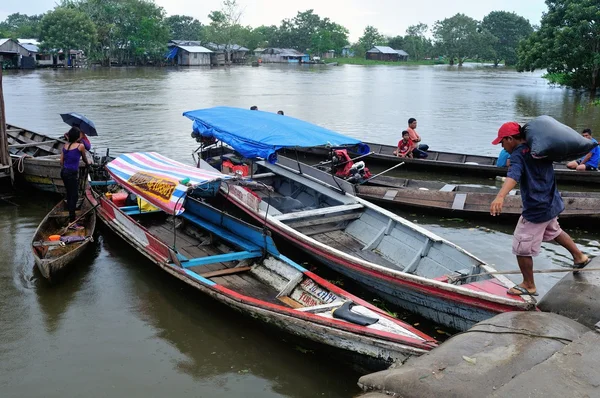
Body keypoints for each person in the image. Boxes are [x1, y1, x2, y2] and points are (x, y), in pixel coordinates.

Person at [490, 122, 589, 296]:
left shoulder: (518, 155)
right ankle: (579, 256)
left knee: (521, 246)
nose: (502, 146)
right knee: (554, 231)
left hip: (536, 208)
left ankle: (529, 284)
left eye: (502, 142)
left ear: (510, 139)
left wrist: (500, 196)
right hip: (551, 201)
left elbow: (513, 175)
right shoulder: (539, 148)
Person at [61, 127, 91, 229]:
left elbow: (61, 161)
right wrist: (88, 163)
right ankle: (72, 222)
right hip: (71, 174)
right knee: (74, 196)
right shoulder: (80, 146)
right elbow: (84, 158)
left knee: (69, 195)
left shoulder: (65, 146)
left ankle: (71, 216)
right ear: (77, 136)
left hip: (64, 173)